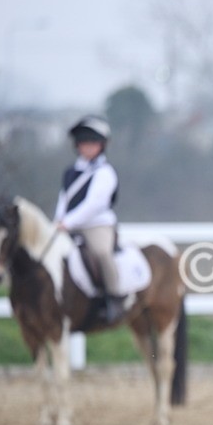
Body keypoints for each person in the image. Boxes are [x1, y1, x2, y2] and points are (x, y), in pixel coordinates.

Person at [54, 115, 124, 326]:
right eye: (84, 143)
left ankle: (114, 297)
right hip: (68, 223)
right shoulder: (71, 172)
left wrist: (69, 222)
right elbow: (64, 199)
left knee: (102, 253)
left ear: (101, 146)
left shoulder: (105, 173)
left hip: (97, 225)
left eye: (92, 144)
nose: (88, 148)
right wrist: (58, 220)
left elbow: (94, 205)